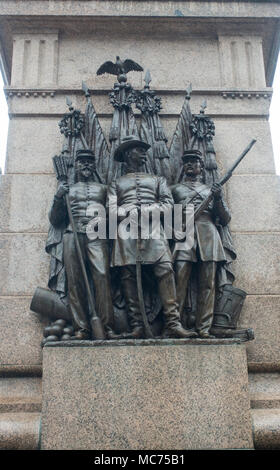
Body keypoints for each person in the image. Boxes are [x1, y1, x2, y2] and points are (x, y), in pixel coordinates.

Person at [107, 135, 197, 339]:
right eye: (139, 150)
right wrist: (130, 213)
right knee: (128, 276)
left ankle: (173, 323)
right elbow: (111, 211)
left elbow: (167, 204)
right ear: (129, 154)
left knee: (165, 270)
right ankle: (137, 325)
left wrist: (145, 211)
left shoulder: (158, 180)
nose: (144, 153)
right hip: (126, 233)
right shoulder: (116, 183)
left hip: (154, 230)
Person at [49, 148, 116, 340]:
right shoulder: (67, 189)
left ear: (94, 165)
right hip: (73, 234)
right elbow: (55, 220)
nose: (86, 164)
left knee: (102, 277)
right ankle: (81, 328)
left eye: (89, 161)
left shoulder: (103, 189)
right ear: (76, 165)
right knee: (75, 282)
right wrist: (58, 197)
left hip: (97, 234)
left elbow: (112, 216)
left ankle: (107, 326)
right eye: (82, 161)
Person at [172, 149, 231, 338]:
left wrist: (218, 198)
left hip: (208, 233)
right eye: (187, 161)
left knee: (208, 283)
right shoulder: (175, 189)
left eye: (194, 161)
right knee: (179, 280)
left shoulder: (211, 190)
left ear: (201, 167)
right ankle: (175, 326)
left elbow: (225, 218)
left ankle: (203, 328)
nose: (190, 164)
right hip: (184, 233)